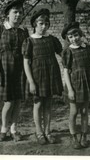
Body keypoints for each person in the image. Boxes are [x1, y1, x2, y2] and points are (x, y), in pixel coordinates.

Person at [22, 8, 63, 145]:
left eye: (46, 23)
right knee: (38, 103)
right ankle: (39, 132)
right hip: (37, 76)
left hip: (51, 74)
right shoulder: (29, 41)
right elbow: (26, 63)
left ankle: (48, 131)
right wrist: (31, 81)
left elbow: (63, 54)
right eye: (41, 23)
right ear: (35, 24)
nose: (44, 26)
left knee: (48, 104)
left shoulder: (52, 39)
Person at [0, 0, 29, 142]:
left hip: (20, 70)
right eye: (15, 12)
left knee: (18, 101)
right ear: (8, 14)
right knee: (8, 102)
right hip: (5, 69)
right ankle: (3, 130)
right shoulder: (0, 29)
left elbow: (28, 54)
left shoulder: (23, 31)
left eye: (20, 12)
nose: (18, 15)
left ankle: (14, 130)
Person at [61, 22, 90, 149]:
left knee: (84, 111)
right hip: (74, 84)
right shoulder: (68, 51)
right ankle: (74, 137)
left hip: (87, 82)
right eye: (71, 37)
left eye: (76, 35)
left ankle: (84, 135)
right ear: (68, 39)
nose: (74, 39)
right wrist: (70, 90)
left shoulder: (88, 48)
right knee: (73, 112)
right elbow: (66, 71)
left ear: (80, 34)